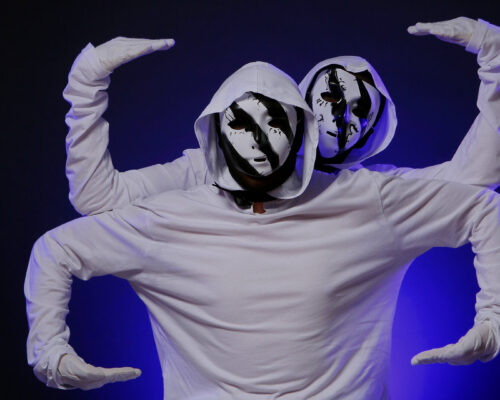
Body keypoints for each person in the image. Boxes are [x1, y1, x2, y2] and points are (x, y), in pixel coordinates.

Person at [26, 57, 500, 399]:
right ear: (215, 133)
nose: (257, 142)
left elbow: (481, 206)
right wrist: (50, 353)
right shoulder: (169, 218)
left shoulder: (365, 200)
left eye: (274, 123)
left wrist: (493, 319)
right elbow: (57, 249)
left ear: (301, 131)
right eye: (240, 124)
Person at [64, 17, 500, 219]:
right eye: (330, 95)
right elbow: (98, 201)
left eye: (360, 110)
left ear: (373, 132)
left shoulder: (369, 192)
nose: (339, 115)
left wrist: (495, 58)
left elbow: (471, 180)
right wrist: (86, 87)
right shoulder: (207, 168)